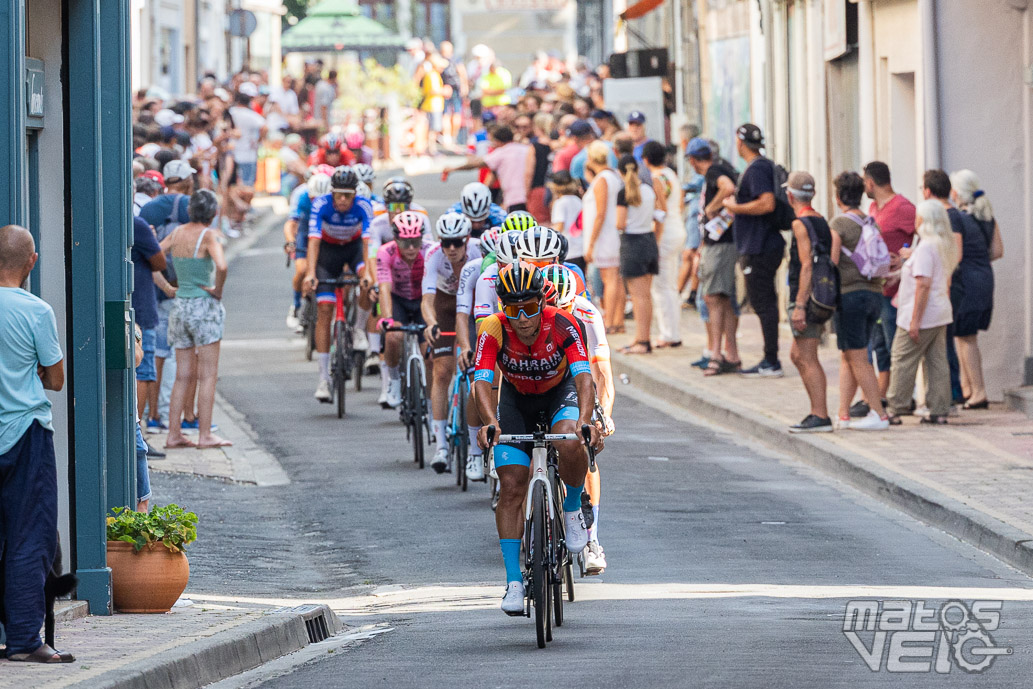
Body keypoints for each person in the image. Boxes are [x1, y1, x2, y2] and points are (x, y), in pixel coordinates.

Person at [472, 261, 603, 614]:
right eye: (513, 309)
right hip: (516, 401)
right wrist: (488, 423)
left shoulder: (563, 323)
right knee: (512, 484)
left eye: (530, 308)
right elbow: (482, 381)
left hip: (558, 394)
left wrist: (586, 421)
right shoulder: (493, 328)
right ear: (503, 308)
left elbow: (584, 376)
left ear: (541, 304)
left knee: (570, 439)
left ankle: (573, 508)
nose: (523, 318)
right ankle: (514, 582)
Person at [0, 225, 70, 664]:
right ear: (32, 261)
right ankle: (26, 640)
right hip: (24, 432)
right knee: (30, 537)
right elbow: (56, 379)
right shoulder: (36, 311)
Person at [162, 190, 232, 449]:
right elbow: (222, 266)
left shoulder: (177, 233)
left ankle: (173, 433)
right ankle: (205, 435)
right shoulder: (209, 235)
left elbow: (154, 257)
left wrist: (167, 287)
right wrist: (217, 290)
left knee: (182, 375)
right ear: (213, 213)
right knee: (207, 375)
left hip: (180, 306)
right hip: (204, 306)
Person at [886, 200, 959, 425]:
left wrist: (915, 321)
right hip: (939, 312)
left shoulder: (926, 246)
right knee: (936, 362)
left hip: (922, 314)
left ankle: (895, 407)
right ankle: (939, 409)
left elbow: (923, 284)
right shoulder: (939, 244)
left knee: (902, 359)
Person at [305, 168, 374, 403]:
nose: (342, 200)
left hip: (354, 251)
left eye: (348, 195)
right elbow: (314, 240)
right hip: (328, 254)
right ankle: (323, 379)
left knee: (368, 283)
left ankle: (358, 329)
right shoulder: (321, 205)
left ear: (355, 194)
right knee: (325, 310)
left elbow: (367, 244)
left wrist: (368, 275)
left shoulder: (364, 206)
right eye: (338, 195)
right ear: (331, 193)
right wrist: (310, 273)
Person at [722, 124, 785, 377]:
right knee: (763, 302)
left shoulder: (757, 168)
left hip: (760, 246)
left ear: (740, 143)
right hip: (760, 244)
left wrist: (735, 207)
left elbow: (766, 203)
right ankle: (770, 358)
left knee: (764, 303)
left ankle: (771, 360)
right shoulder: (760, 166)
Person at [829, 172, 890, 430]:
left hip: (850, 295)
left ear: (838, 196)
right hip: (874, 294)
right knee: (849, 354)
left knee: (858, 357)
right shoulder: (870, 222)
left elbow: (832, 264)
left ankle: (878, 413)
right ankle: (843, 414)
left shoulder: (839, 224)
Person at [423, 213, 481, 473]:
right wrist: (431, 322)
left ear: (467, 239)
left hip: (473, 306)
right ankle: (441, 446)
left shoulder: (480, 250)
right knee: (442, 371)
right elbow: (426, 299)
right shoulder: (435, 255)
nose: (452, 249)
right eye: (446, 243)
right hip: (445, 307)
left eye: (458, 243)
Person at [784, 172, 833, 433]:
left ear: (790, 195)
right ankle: (817, 412)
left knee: (808, 356)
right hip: (820, 296)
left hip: (805, 298)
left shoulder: (800, 224)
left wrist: (800, 305)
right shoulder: (821, 221)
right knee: (797, 354)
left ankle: (820, 414)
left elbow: (806, 267)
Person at [863, 161, 916, 401]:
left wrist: (907, 256)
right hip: (875, 286)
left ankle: (901, 395)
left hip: (894, 290)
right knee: (879, 346)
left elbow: (925, 235)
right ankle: (882, 394)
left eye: (865, 181)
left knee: (894, 344)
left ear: (871, 182)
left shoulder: (903, 207)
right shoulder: (873, 207)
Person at [950, 169, 1003, 409]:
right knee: (965, 336)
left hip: (967, 281)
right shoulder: (987, 216)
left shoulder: (960, 219)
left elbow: (955, 253)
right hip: (984, 277)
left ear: (957, 192)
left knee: (966, 337)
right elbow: (997, 252)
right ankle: (969, 388)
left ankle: (978, 391)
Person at [688, 137, 741, 375]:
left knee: (712, 297)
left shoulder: (713, 172)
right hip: (723, 242)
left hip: (719, 244)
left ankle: (717, 354)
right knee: (724, 298)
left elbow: (728, 187)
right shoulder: (722, 167)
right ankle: (731, 354)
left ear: (692, 160)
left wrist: (712, 207)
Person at [376, 212, 430, 409]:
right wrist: (388, 319)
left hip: (422, 300)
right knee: (393, 336)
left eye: (416, 242)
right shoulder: (386, 252)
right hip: (398, 300)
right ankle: (394, 381)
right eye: (406, 243)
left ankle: (427, 391)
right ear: (395, 239)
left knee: (430, 351)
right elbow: (384, 287)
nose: (411, 248)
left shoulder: (430, 250)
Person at [642, 141, 687, 348]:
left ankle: (668, 334)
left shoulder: (657, 178)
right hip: (677, 229)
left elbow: (660, 212)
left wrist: (655, 241)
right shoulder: (671, 174)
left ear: (646, 160)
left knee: (662, 287)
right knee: (668, 285)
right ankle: (671, 332)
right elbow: (678, 203)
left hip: (665, 235)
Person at [615, 155, 659, 354]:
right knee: (645, 296)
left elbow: (620, 223)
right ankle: (643, 338)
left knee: (638, 296)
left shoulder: (624, 192)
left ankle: (642, 340)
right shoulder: (649, 190)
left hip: (632, 243)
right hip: (648, 240)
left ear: (621, 172)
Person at [443, 126, 533, 212]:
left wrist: (453, 168)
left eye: (492, 141)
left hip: (514, 198)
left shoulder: (501, 152)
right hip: (531, 196)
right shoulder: (526, 148)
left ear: (498, 141)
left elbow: (476, 163)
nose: (491, 145)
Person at [131, 216, 168, 428]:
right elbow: (159, 262)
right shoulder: (137, 224)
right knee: (142, 372)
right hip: (142, 310)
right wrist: (152, 238)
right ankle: (136, 436)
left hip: (132, 307)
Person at [548, 170, 585, 271]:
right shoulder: (578, 200)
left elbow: (559, 226)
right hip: (581, 248)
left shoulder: (560, 203)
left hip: (568, 251)